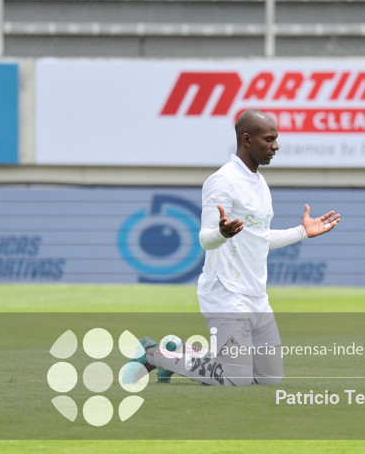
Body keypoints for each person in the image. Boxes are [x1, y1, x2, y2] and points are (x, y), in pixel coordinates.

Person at [131, 109, 340, 386]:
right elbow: (205, 238)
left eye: (276, 139)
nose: (276, 146)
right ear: (247, 139)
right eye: (269, 139)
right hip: (226, 293)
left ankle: (180, 352)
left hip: (256, 296)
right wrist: (220, 233)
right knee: (236, 378)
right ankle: (154, 354)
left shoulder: (260, 183)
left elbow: (260, 240)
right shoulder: (222, 181)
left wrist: (302, 232)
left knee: (269, 379)